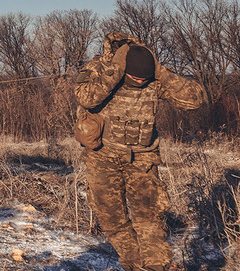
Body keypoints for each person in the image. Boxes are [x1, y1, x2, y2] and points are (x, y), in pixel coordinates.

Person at [75, 32, 206, 271]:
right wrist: (114, 72)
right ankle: (135, 264)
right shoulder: (99, 69)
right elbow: (87, 98)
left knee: (150, 218)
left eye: (144, 79)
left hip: (142, 158)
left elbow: (195, 99)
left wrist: (162, 73)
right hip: (102, 156)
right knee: (110, 217)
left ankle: (157, 267)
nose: (140, 82)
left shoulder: (153, 77)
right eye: (134, 77)